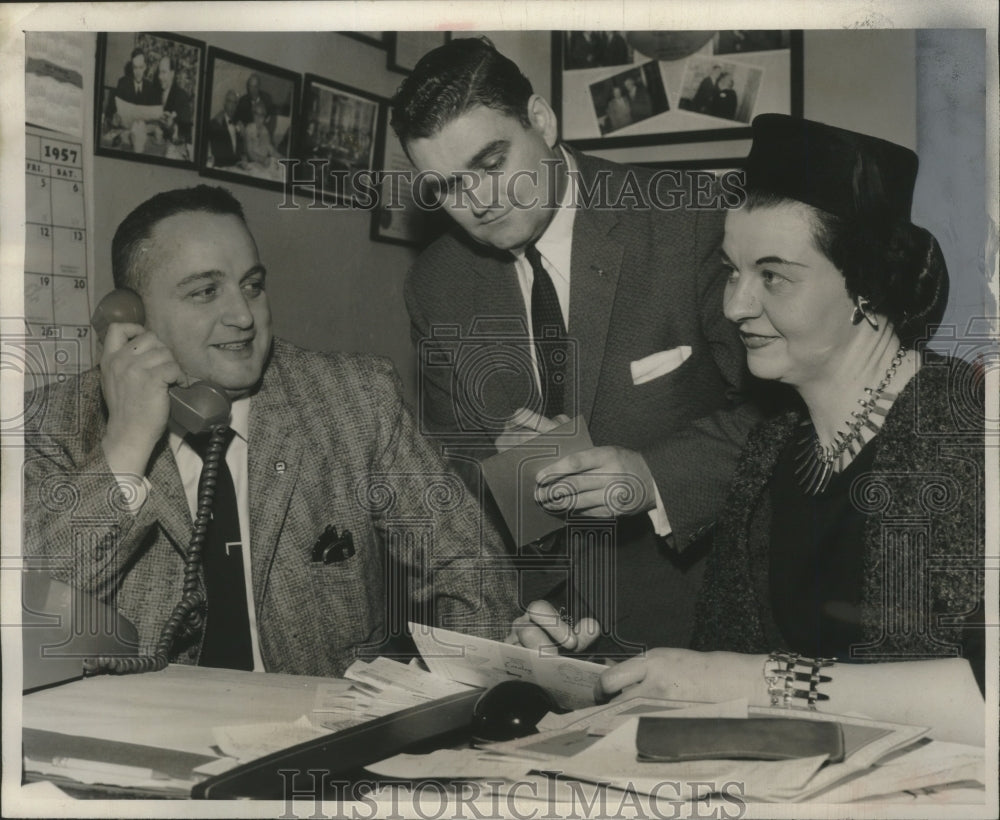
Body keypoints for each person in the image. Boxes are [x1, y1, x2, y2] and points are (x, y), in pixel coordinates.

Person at [598, 115, 986, 747]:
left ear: (865, 283)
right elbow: (715, 668)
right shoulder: (771, 452)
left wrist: (756, 681)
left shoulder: (970, 428)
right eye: (731, 270)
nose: (734, 306)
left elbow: (985, 696)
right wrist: (602, 665)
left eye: (772, 276)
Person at [22, 185, 518, 677]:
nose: (243, 316)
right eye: (204, 292)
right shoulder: (52, 423)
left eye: (252, 285)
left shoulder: (356, 399)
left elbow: (472, 568)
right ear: (129, 316)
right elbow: (30, 618)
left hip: (317, 729)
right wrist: (126, 444)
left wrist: (452, 698)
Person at [392, 37, 758, 656]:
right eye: (447, 187)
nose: (479, 202)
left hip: (708, 617)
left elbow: (785, 422)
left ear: (541, 120)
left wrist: (652, 476)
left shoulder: (686, 220)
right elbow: (452, 482)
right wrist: (507, 475)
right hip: (542, 628)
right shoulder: (437, 284)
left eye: (490, 164)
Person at [154, 55, 193, 146]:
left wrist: (173, 127)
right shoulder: (155, 93)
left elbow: (187, 134)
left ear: (172, 74)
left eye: (164, 72)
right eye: (159, 72)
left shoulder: (182, 96)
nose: (160, 77)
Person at [207, 90, 243, 168]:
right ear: (225, 103)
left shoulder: (237, 123)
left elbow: (238, 152)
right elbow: (218, 153)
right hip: (221, 167)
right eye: (230, 101)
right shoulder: (215, 123)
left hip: (236, 167)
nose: (232, 106)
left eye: (235, 103)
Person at [242, 100, 279, 167]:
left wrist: (281, 158)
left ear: (264, 118)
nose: (258, 118)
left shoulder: (265, 130)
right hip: (251, 164)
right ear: (253, 115)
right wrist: (262, 160)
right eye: (256, 114)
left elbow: (270, 149)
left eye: (261, 115)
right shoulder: (249, 128)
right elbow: (250, 153)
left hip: (263, 164)